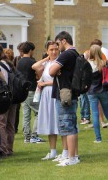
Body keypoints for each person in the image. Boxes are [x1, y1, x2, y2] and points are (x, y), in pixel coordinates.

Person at [49, 31, 79, 166]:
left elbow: (51, 71)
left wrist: (55, 69)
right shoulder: (75, 53)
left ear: (63, 41)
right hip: (71, 92)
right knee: (71, 124)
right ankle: (73, 155)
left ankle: (71, 158)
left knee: (68, 125)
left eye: (57, 43)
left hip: (65, 93)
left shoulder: (67, 54)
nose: (57, 47)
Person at [32, 40, 66, 160]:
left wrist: (45, 83)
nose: (54, 51)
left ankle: (65, 151)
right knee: (50, 123)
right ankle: (52, 151)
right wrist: (47, 58)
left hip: (55, 93)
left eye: (56, 49)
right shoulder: (46, 64)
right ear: (47, 51)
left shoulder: (60, 62)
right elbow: (34, 66)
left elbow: (61, 80)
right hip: (46, 95)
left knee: (59, 122)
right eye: (51, 49)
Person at [0, 44, 17, 158]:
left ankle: (3, 149)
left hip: (4, 96)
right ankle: (10, 148)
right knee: (10, 124)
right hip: (13, 96)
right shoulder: (9, 64)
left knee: (1, 123)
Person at [87, 45, 108, 143]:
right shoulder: (104, 63)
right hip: (103, 89)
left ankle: (98, 138)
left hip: (91, 91)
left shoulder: (88, 64)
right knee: (107, 112)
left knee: (95, 114)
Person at [17, 41, 44, 143]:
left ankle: (27, 137)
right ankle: (34, 135)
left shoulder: (19, 61)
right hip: (32, 90)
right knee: (38, 112)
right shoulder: (32, 62)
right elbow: (38, 73)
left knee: (26, 115)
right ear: (30, 50)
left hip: (22, 90)